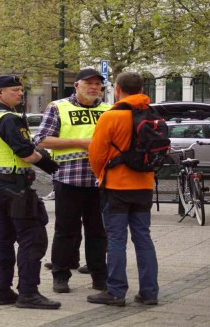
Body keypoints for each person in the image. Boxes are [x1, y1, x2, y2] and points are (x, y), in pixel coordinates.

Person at [0, 75, 61, 310]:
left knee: (2, 238)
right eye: (15, 90)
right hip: (13, 186)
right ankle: (28, 293)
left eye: (21, 90)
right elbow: (25, 152)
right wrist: (46, 162)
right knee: (32, 238)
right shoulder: (9, 118)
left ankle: (1, 292)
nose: (20, 94)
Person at [34, 68, 111, 294]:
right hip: (68, 179)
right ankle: (61, 275)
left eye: (98, 84)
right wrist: (80, 143)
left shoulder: (108, 109)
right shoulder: (58, 107)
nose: (94, 87)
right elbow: (41, 140)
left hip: (100, 180)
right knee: (66, 230)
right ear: (76, 85)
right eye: (89, 83)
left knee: (98, 232)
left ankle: (99, 276)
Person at [87, 72, 159, 306]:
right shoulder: (152, 113)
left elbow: (96, 153)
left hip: (117, 185)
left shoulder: (111, 116)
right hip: (144, 184)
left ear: (117, 89)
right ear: (141, 88)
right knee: (143, 238)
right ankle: (149, 292)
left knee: (116, 239)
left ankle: (116, 291)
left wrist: (101, 176)